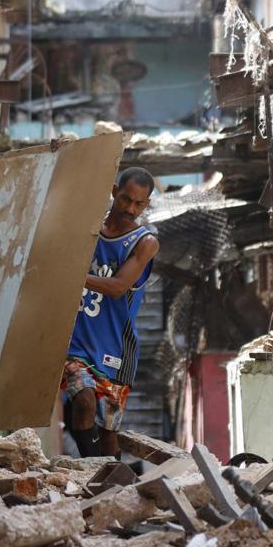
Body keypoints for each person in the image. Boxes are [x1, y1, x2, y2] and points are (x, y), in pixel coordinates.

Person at [61, 167, 160, 458]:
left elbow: (117, 286)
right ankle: (93, 470)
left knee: (108, 430)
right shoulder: (88, 229)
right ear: (114, 191)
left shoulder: (145, 242)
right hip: (75, 340)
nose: (130, 209)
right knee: (84, 402)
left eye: (139, 204)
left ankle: (110, 482)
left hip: (115, 344)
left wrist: (71, 275)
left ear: (147, 204)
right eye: (125, 200)